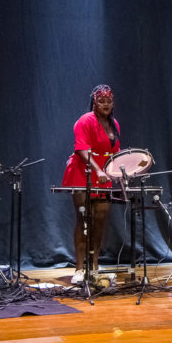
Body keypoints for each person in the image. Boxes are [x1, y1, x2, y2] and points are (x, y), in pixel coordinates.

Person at [62, 84, 121, 285]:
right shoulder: (85, 121)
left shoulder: (115, 124)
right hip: (83, 172)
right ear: (94, 103)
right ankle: (79, 268)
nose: (106, 104)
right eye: (101, 101)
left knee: (101, 219)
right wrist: (97, 170)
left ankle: (94, 265)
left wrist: (118, 172)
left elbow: (115, 153)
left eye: (109, 101)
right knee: (84, 218)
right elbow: (81, 149)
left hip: (103, 175)